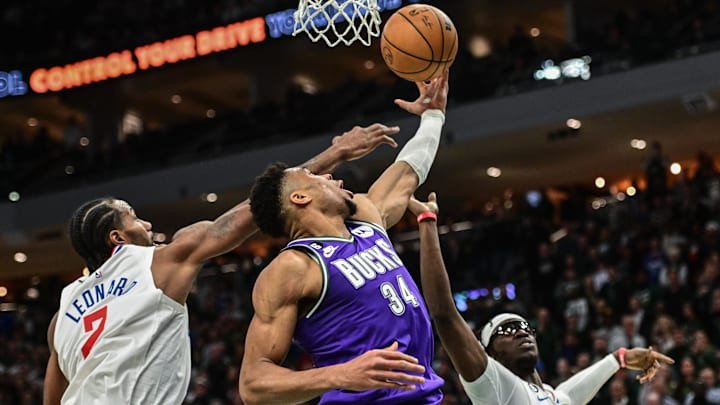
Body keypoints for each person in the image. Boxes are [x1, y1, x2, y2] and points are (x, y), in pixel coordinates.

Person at [42, 122, 401, 405]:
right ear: (117, 239)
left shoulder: (63, 312)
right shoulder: (157, 262)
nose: (147, 225)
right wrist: (335, 153)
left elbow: (53, 399)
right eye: (134, 218)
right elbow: (247, 214)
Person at [239, 71, 449, 405]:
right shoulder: (293, 268)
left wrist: (433, 115)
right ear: (300, 199)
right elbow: (253, 384)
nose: (330, 176)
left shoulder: (366, 219)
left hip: (424, 397)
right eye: (313, 176)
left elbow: (407, 173)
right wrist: (339, 375)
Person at [408, 192, 676, 405]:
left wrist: (619, 358)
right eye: (508, 330)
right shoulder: (493, 385)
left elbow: (570, 393)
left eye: (525, 327)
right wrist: (428, 221)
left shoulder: (551, 396)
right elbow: (444, 313)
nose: (520, 333)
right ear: (490, 352)